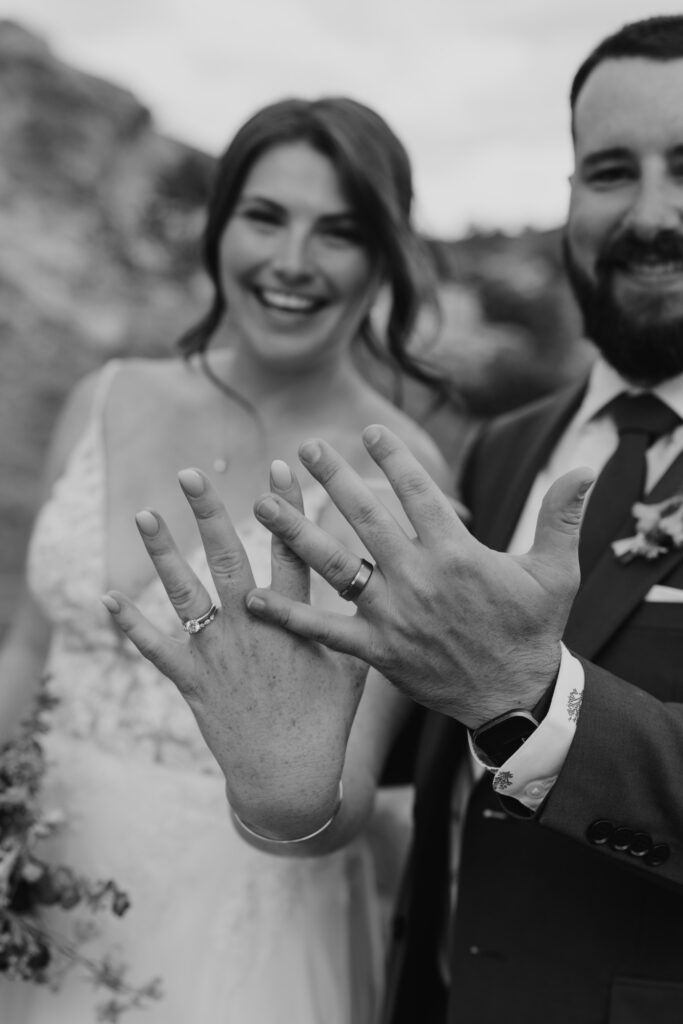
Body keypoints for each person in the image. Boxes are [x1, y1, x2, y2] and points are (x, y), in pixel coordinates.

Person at [106, 15, 683, 1024]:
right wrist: (284, 785)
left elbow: (468, 695)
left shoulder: (414, 461)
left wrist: (531, 699)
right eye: (606, 170)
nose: (649, 214)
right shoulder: (503, 450)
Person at [0, 97, 452, 1022]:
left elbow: (342, 800)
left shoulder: (394, 477)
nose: (291, 262)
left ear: (384, 259)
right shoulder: (104, 395)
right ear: (219, 227)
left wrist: (281, 790)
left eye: (339, 231)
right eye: (264, 216)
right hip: (33, 890)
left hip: (230, 935)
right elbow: (26, 651)